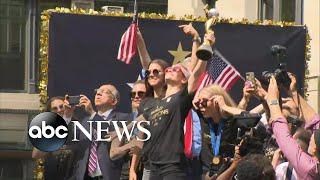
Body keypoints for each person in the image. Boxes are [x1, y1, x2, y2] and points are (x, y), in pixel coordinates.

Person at [69, 84, 132, 180]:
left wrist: (92, 113)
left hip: (110, 176)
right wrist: (67, 115)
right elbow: (69, 140)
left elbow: (109, 134)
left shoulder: (123, 118)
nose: (98, 93)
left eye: (105, 92)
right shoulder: (85, 121)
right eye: (97, 92)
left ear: (114, 101)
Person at [266, 75, 320, 179]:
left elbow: (285, 139)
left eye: (314, 135)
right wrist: (293, 92)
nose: (313, 132)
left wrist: (272, 101)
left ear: (314, 149)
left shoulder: (310, 169)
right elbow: (315, 120)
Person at [193, 84, 244, 179]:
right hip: (207, 175)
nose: (200, 105)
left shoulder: (232, 121)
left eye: (204, 102)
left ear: (217, 101)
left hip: (230, 174)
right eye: (198, 102)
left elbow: (249, 117)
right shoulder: (201, 120)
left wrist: (224, 106)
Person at [32, 96, 75, 180]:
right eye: (55, 108)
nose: (59, 110)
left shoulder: (79, 125)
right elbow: (36, 154)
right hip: (53, 174)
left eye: (61, 106)